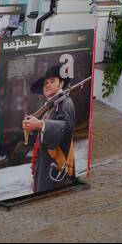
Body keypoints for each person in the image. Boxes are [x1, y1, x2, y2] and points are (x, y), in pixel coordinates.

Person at [21, 65, 75, 194]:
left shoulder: (66, 103)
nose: (48, 85)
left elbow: (66, 127)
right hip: (45, 167)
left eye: (52, 81)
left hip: (57, 169)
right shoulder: (50, 106)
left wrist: (40, 124)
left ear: (61, 83)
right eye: (45, 83)